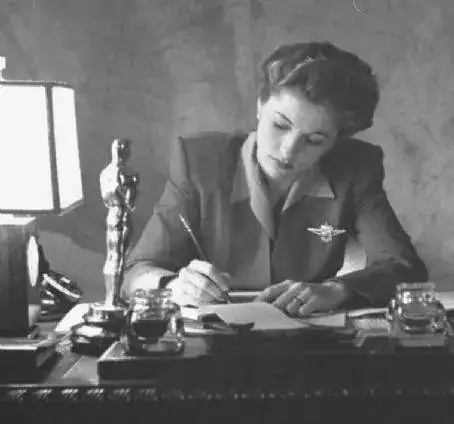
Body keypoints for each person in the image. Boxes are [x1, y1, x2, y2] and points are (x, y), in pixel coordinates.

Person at [122, 41, 428, 317]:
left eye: (315, 140)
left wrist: (336, 290)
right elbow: (136, 272)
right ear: (260, 106)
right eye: (280, 125)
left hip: (308, 342)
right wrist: (172, 284)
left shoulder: (355, 168)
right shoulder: (199, 162)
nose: (288, 150)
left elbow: (403, 267)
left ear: (336, 140)